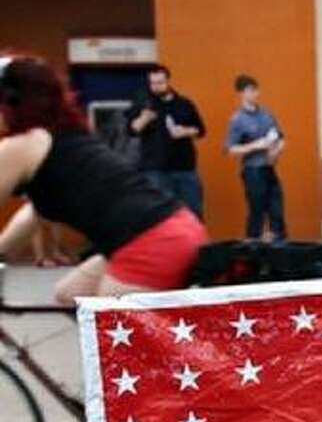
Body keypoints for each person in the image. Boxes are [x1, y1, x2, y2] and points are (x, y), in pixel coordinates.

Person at [0, 55, 207, 302]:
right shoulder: (64, 135)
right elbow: (32, 214)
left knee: (109, 329)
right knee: (69, 295)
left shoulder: (23, 145)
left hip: (151, 240)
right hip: (172, 226)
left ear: (11, 101)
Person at [126, 63, 206, 218]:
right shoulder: (143, 103)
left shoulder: (184, 104)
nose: (156, 87)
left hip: (185, 168)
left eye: (160, 83)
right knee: (162, 214)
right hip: (156, 169)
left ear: (168, 81)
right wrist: (144, 118)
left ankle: (195, 242)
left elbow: (200, 130)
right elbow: (131, 130)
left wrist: (185, 131)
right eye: (153, 83)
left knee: (193, 211)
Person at [224, 74, 286, 241]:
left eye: (256, 89)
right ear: (241, 93)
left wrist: (276, 150)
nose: (255, 93)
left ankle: (280, 252)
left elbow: (280, 138)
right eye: (250, 90)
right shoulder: (237, 119)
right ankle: (252, 251)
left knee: (277, 211)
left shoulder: (267, 114)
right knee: (257, 212)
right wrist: (255, 145)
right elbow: (230, 149)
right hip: (252, 170)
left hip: (269, 167)